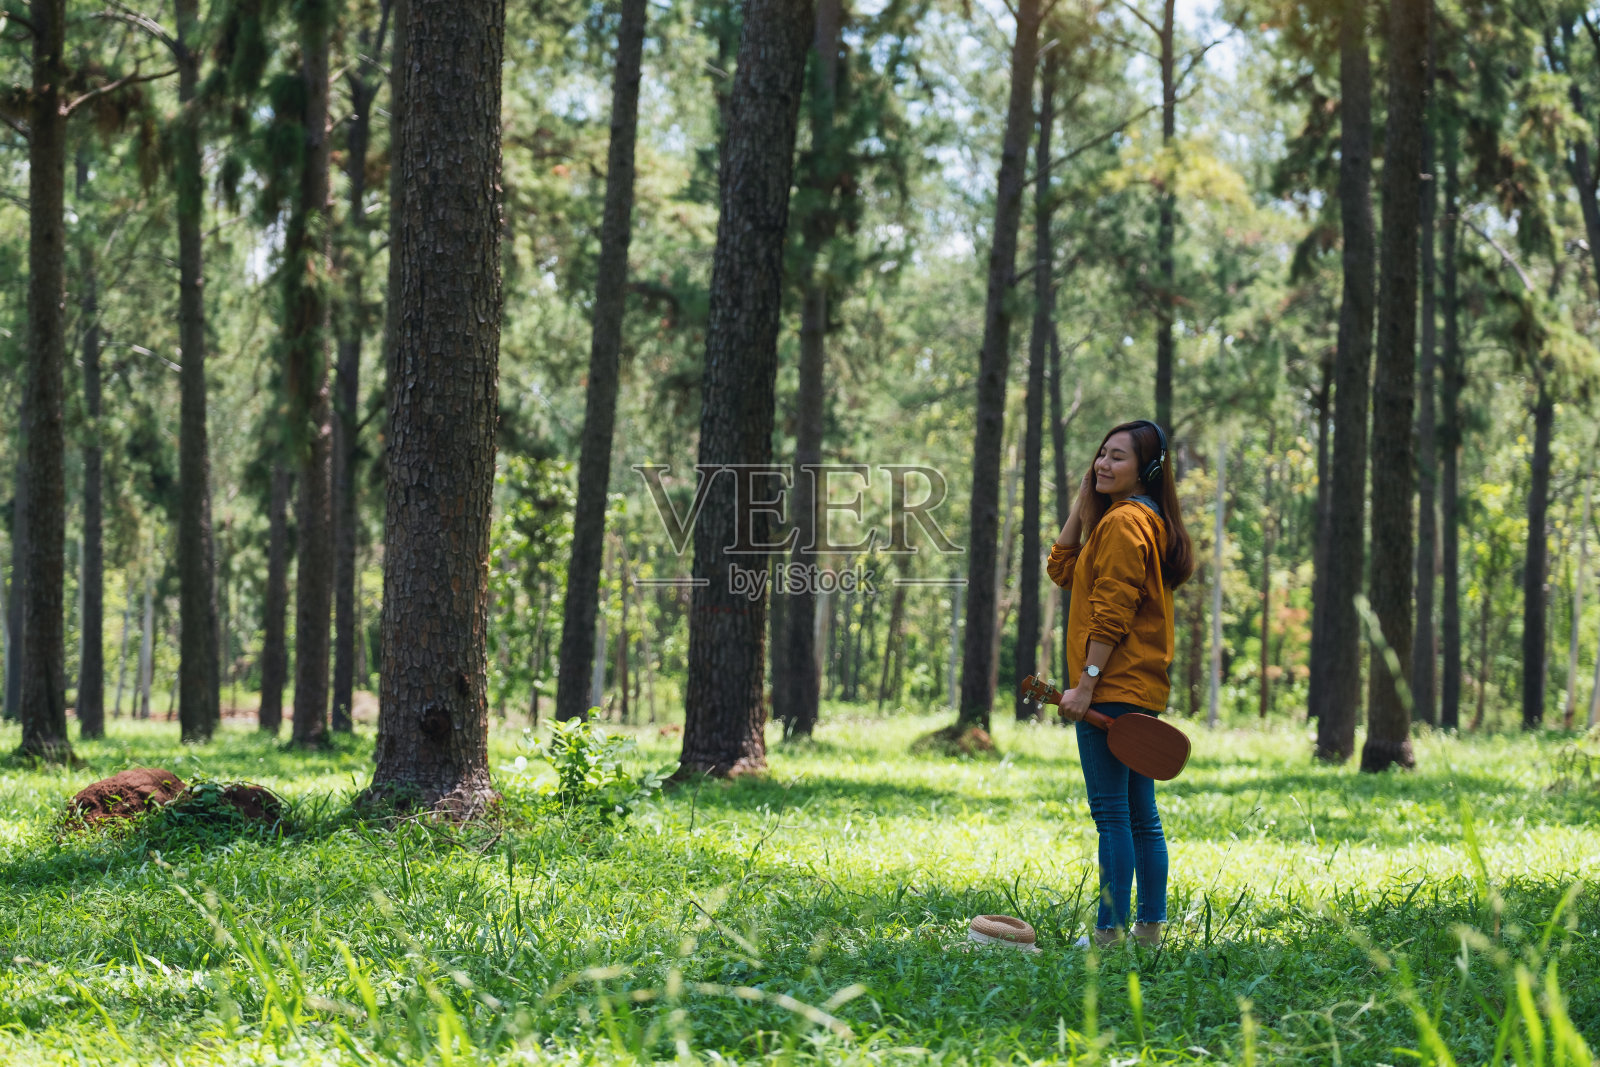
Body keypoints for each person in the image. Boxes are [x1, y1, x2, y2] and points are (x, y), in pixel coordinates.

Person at [1046, 420, 1195, 948]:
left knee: (1113, 814)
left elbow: (1112, 611)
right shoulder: (1138, 521)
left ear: (1147, 471)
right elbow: (1061, 568)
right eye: (1100, 455)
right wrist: (1086, 498)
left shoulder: (1125, 525)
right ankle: (1149, 931)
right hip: (1136, 686)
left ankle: (1108, 935)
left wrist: (1086, 684)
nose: (1103, 464)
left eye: (1118, 458)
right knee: (1140, 816)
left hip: (1110, 685)